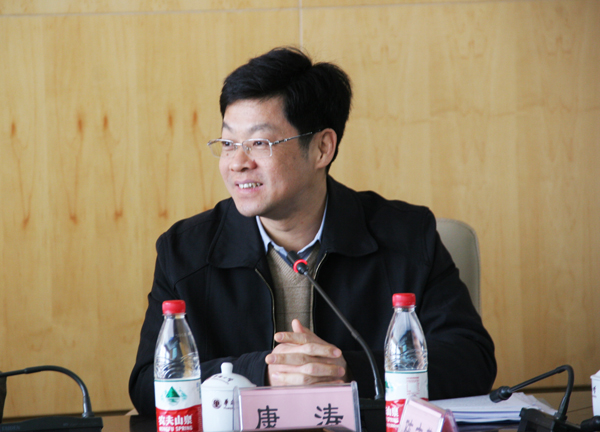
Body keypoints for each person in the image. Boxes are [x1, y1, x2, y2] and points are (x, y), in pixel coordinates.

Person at [129, 46, 496, 416]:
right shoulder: (185, 251)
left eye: (259, 143)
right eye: (228, 143)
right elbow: (149, 383)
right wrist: (260, 373)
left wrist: (346, 371)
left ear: (322, 148)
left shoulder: (408, 237)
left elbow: (472, 361)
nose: (237, 163)